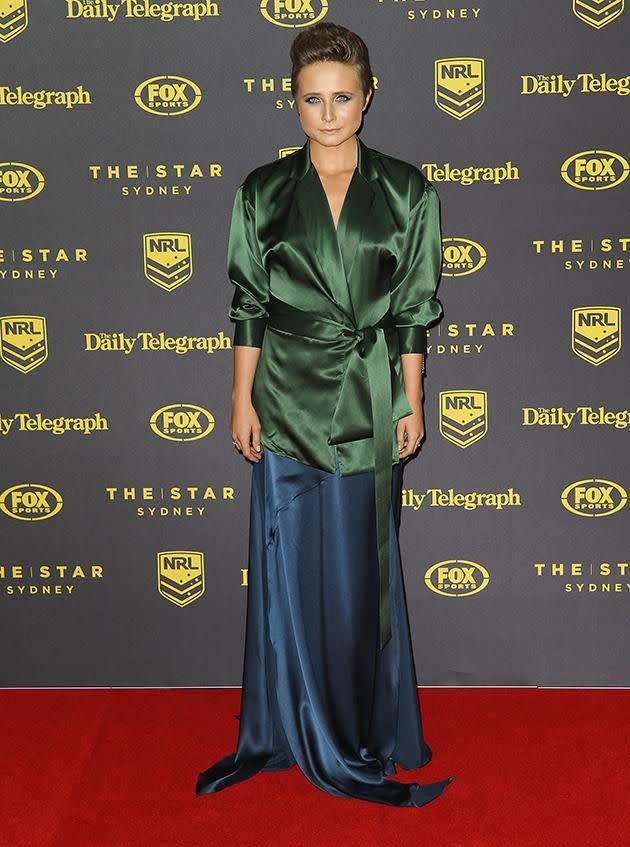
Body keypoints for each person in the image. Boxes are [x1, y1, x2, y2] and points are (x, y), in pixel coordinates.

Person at [196, 21, 455, 808]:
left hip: (372, 395)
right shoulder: (262, 192)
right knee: (287, 567)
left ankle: (363, 727)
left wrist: (410, 398)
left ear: (369, 97)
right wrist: (240, 397)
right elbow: (249, 307)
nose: (329, 112)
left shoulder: (408, 191)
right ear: (295, 102)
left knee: (359, 573)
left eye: (343, 97)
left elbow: (413, 310)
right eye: (313, 99)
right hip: (284, 396)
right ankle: (285, 724)